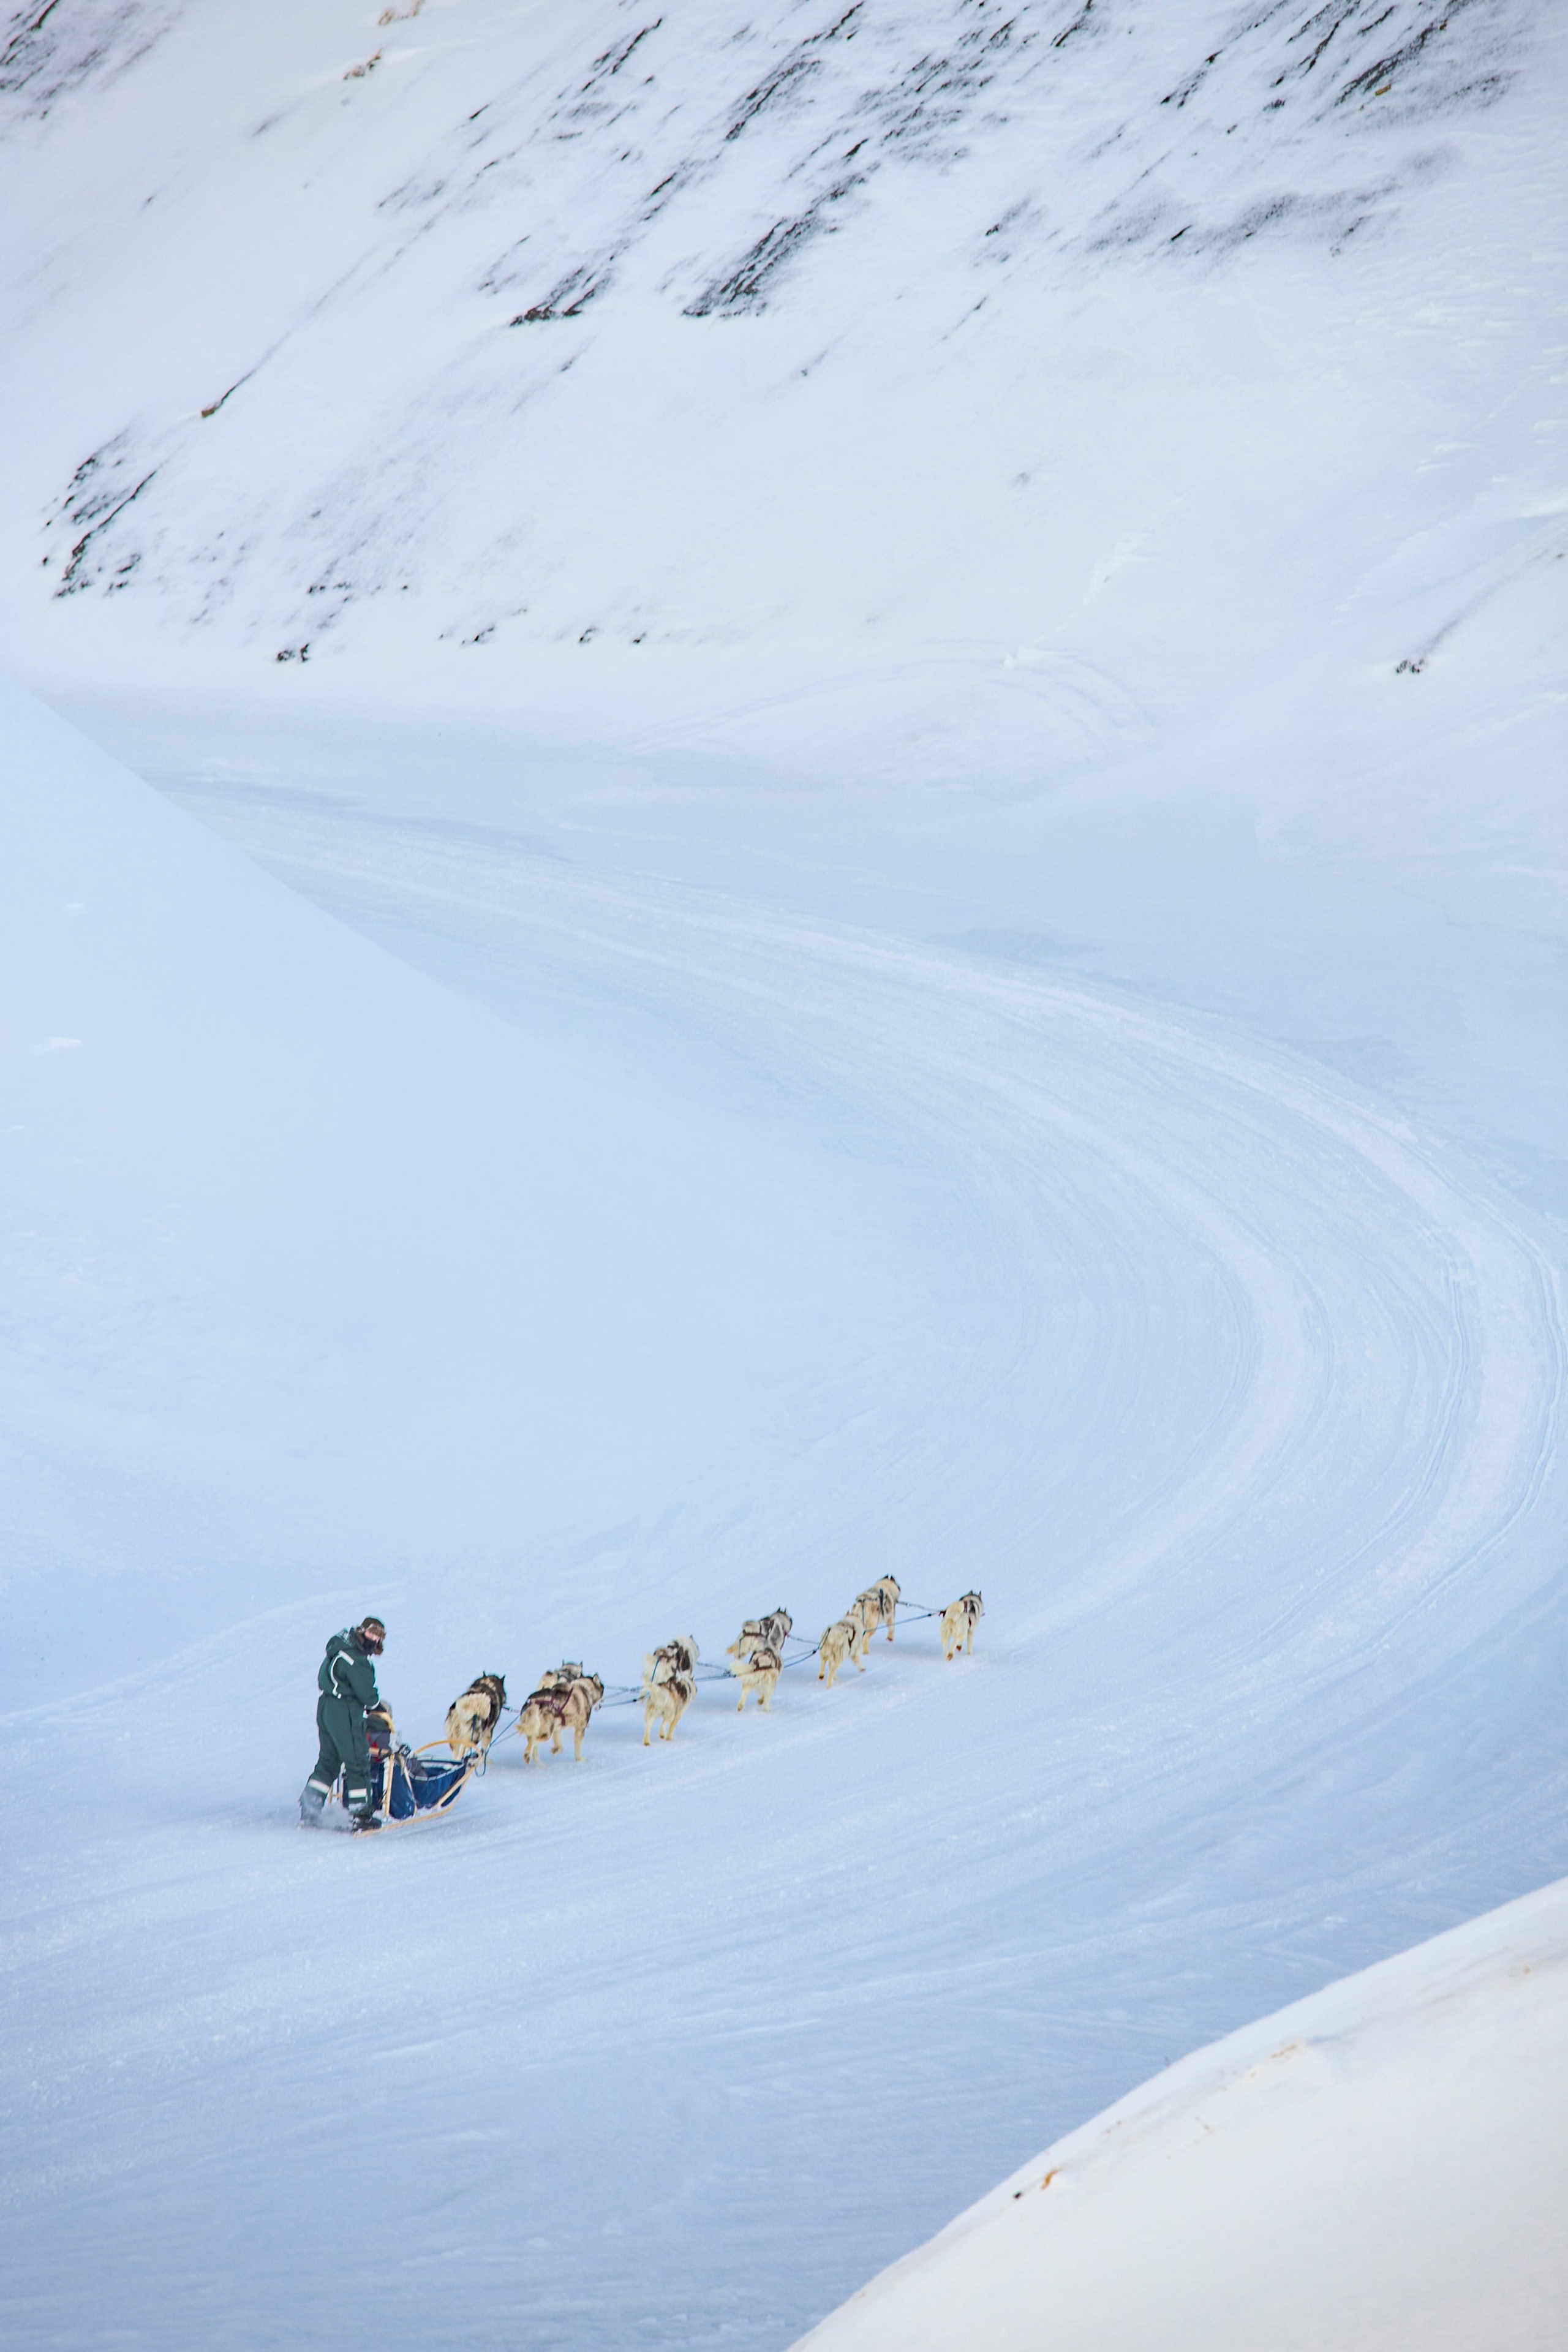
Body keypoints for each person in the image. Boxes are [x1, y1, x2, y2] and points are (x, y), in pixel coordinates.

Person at [299, 1617, 387, 1830]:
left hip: (326, 1707)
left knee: (329, 1760)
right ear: (362, 1631)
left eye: (378, 1637)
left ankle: (310, 1807)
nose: (373, 1639)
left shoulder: (339, 1648)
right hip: (345, 1711)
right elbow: (367, 1693)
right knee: (357, 1760)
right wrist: (376, 1706)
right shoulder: (357, 1660)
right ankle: (360, 1816)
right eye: (371, 1634)